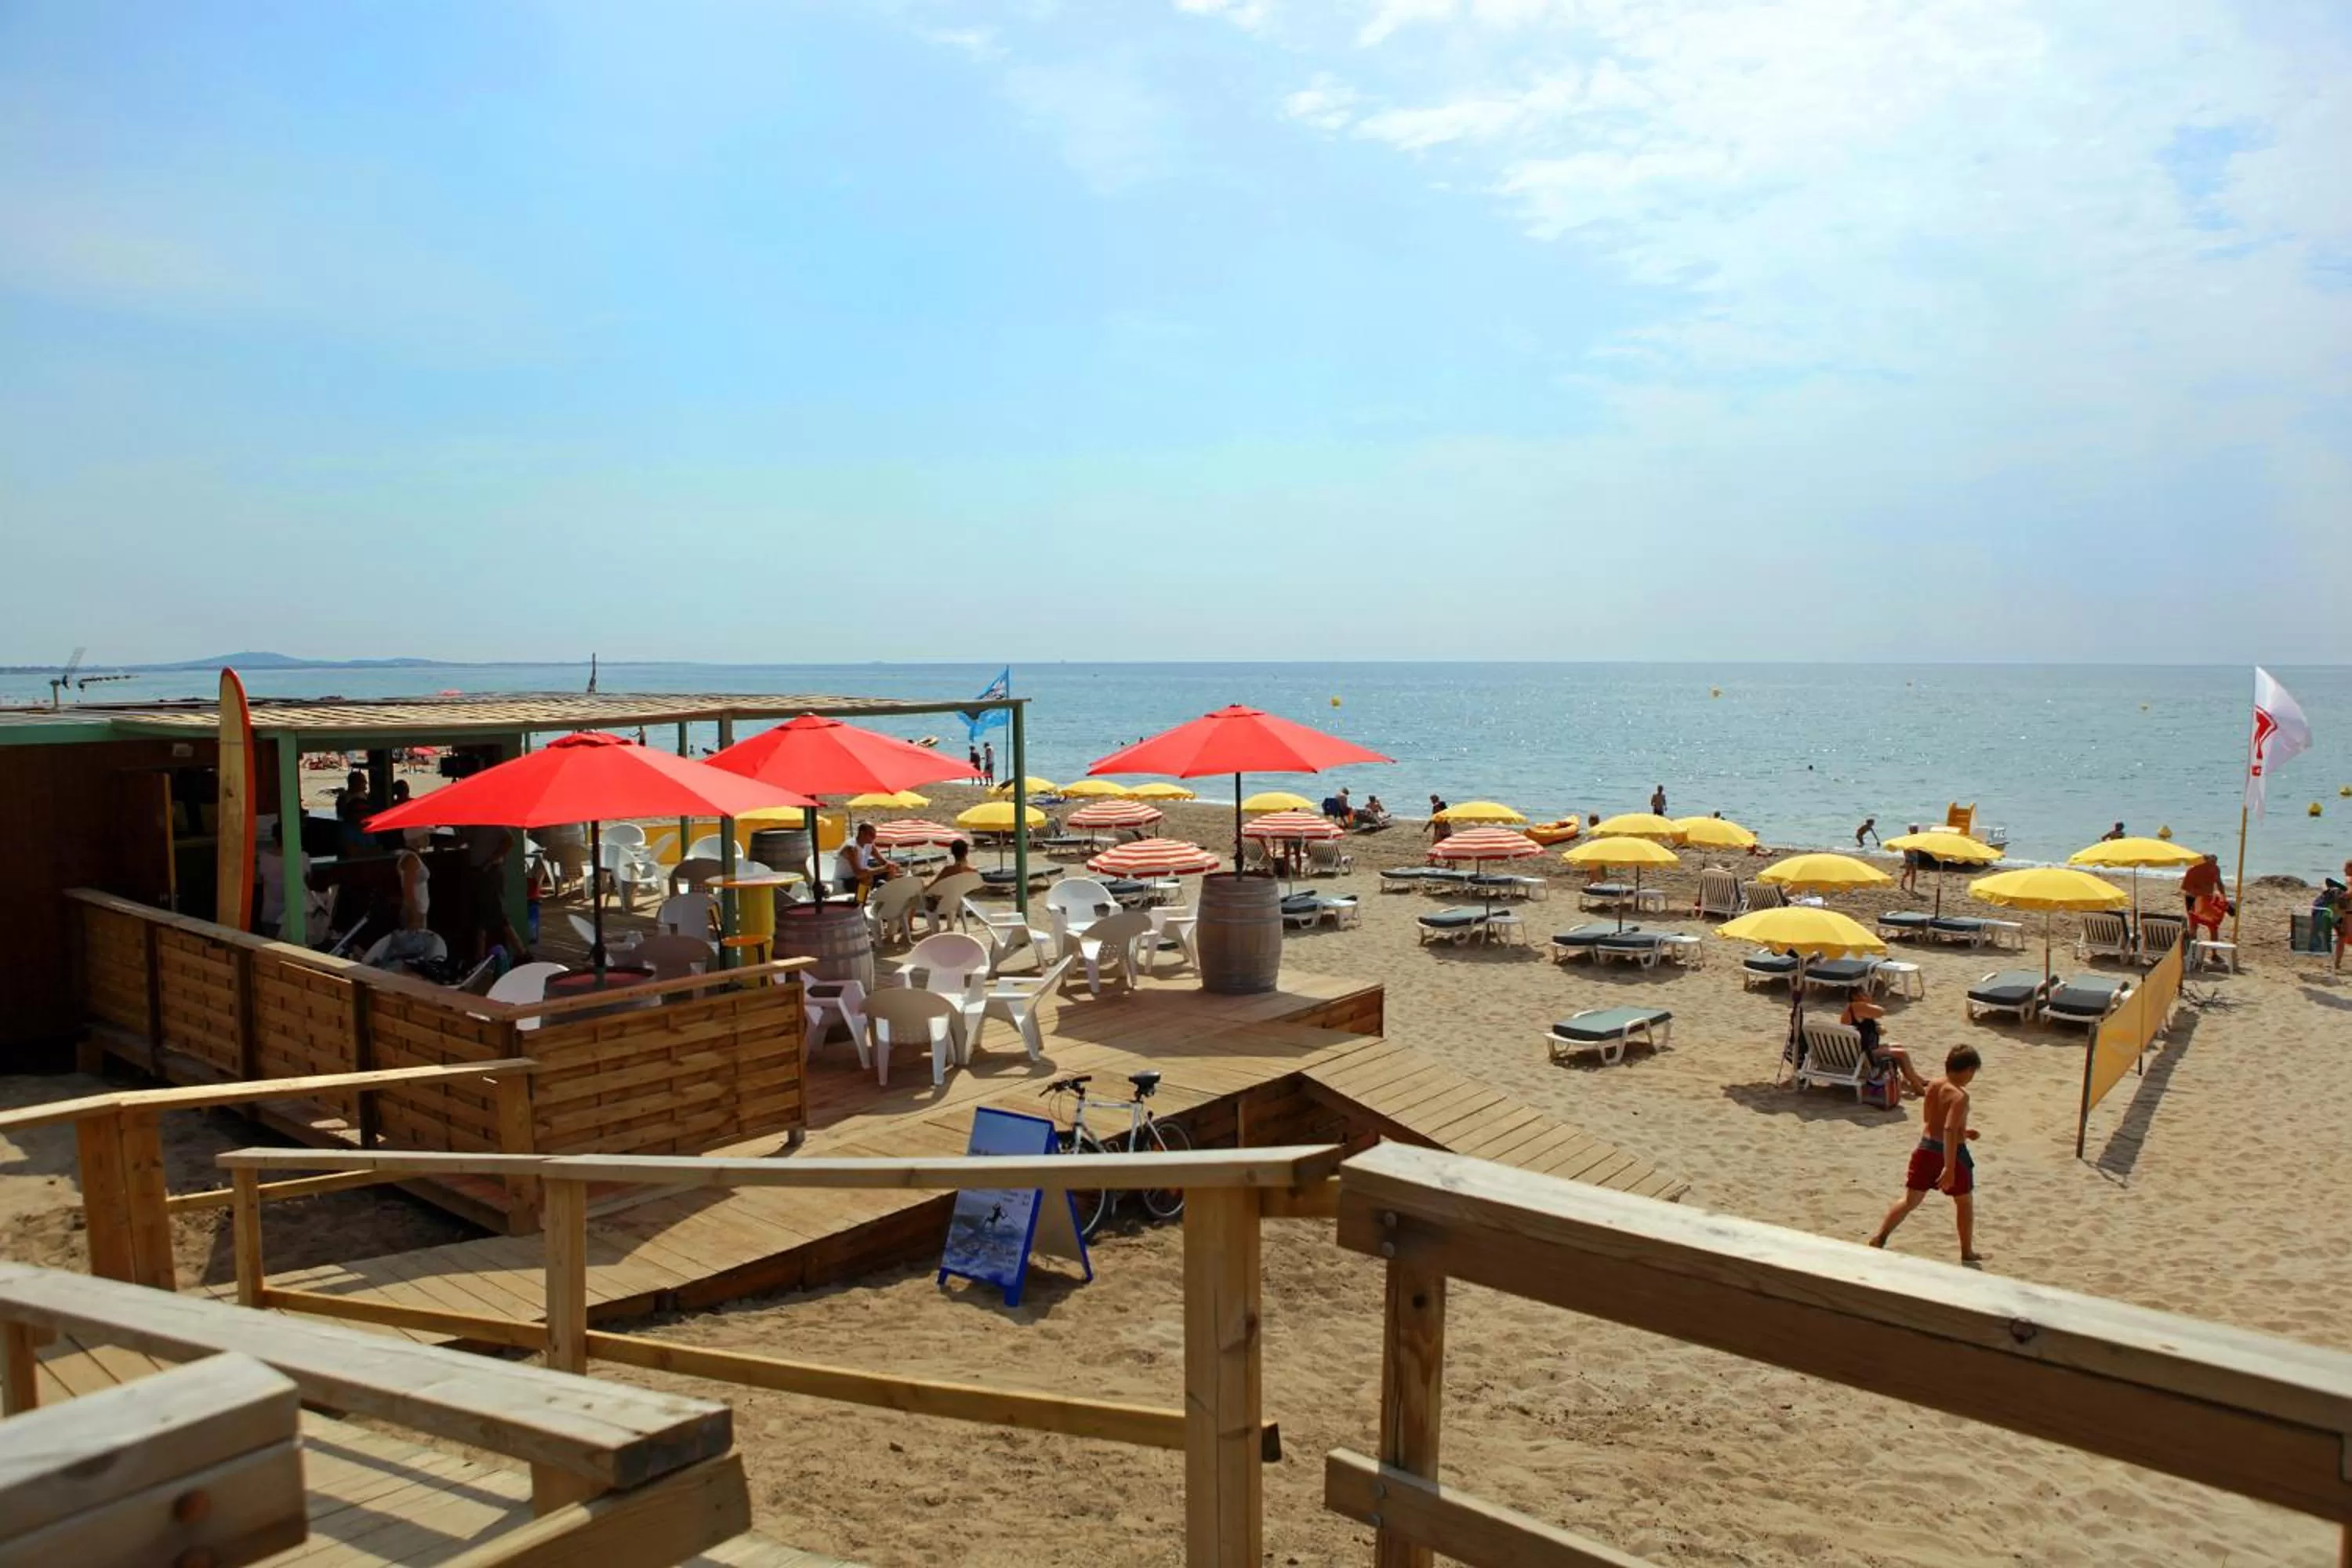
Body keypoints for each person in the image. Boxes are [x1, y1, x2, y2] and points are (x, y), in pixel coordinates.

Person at [1868, 1045, 1983, 1262]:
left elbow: (1931, 1122)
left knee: (1910, 1201)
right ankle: (1967, 1252)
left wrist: (1964, 1132)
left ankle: (1880, 1237)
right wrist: (1949, 1167)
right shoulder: (1960, 1096)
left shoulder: (1933, 1086)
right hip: (1951, 1154)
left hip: (1926, 1147)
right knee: (1964, 1202)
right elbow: (1948, 1129)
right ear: (1968, 1070)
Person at [1842, 991, 1926, 1098]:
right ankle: (1917, 1086)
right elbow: (1881, 1012)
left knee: (1898, 1046)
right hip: (1863, 1056)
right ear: (1855, 996)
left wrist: (1877, 1027)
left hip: (1858, 1051)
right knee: (1902, 1054)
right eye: (1865, 994)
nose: (1869, 996)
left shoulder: (1854, 1010)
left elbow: (1866, 1025)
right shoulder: (1857, 1006)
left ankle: (1915, 1078)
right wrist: (1869, 1004)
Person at [463, 822, 526, 965]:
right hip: (478, 872)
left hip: (489, 872)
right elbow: (466, 840)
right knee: (483, 912)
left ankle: (521, 952)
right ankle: (482, 954)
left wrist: (490, 861)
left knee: (495, 913)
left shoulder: (492, 824)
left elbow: (510, 840)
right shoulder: (474, 826)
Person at [834, 822, 898, 899]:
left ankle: (886, 898)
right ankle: (861, 902)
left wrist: (891, 866)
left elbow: (882, 861)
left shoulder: (869, 845)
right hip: (845, 881)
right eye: (871, 835)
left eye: (875, 834)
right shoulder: (851, 848)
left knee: (890, 871)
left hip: (861, 878)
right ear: (862, 833)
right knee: (867, 877)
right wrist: (882, 869)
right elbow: (858, 873)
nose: (874, 837)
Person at [2181, 852, 2223, 920]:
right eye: (2212, 862)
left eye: (2215, 862)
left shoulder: (2193, 869)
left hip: (2199, 897)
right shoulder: (2215, 869)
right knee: (2205, 919)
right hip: (2199, 897)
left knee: (2196, 919)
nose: (2214, 864)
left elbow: (2185, 887)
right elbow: (2219, 883)